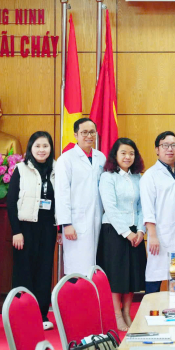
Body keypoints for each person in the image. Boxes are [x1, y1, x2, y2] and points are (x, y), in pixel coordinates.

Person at [6, 131, 58, 331]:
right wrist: (16, 231)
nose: (41, 150)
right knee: (23, 272)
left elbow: (61, 200)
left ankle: (42, 315)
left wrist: (59, 228)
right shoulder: (21, 169)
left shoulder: (57, 170)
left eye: (45, 146)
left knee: (44, 272)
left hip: (48, 228)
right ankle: (21, 315)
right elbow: (11, 202)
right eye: (37, 146)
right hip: (25, 228)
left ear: (50, 148)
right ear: (30, 148)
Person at [97, 138, 146, 331]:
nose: (128, 157)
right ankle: (116, 314)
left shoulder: (138, 178)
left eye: (131, 153)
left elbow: (142, 207)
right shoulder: (108, 177)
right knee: (116, 275)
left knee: (132, 274)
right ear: (115, 156)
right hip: (114, 231)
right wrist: (127, 233)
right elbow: (110, 207)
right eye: (123, 153)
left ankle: (127, 312)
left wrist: (140, 230)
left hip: (135, 231)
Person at [55, 117, 107, 275]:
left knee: (95, 268)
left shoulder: (101, 157)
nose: (89, 136)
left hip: (98, 219)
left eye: (92, 132)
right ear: (76, 135)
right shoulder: (66, 159)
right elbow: (62, 193)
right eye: (84, 132)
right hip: (75, 222)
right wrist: (66, 224)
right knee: (77, 268)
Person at [141, 131, 175, 294]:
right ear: (157, 149)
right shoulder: (150, 175)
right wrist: (152, 235)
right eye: (165, 145)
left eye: (174, 145)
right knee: (156, 272)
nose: (170, 149)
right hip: (160, 234)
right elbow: (147, 208)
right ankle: (149, 308)